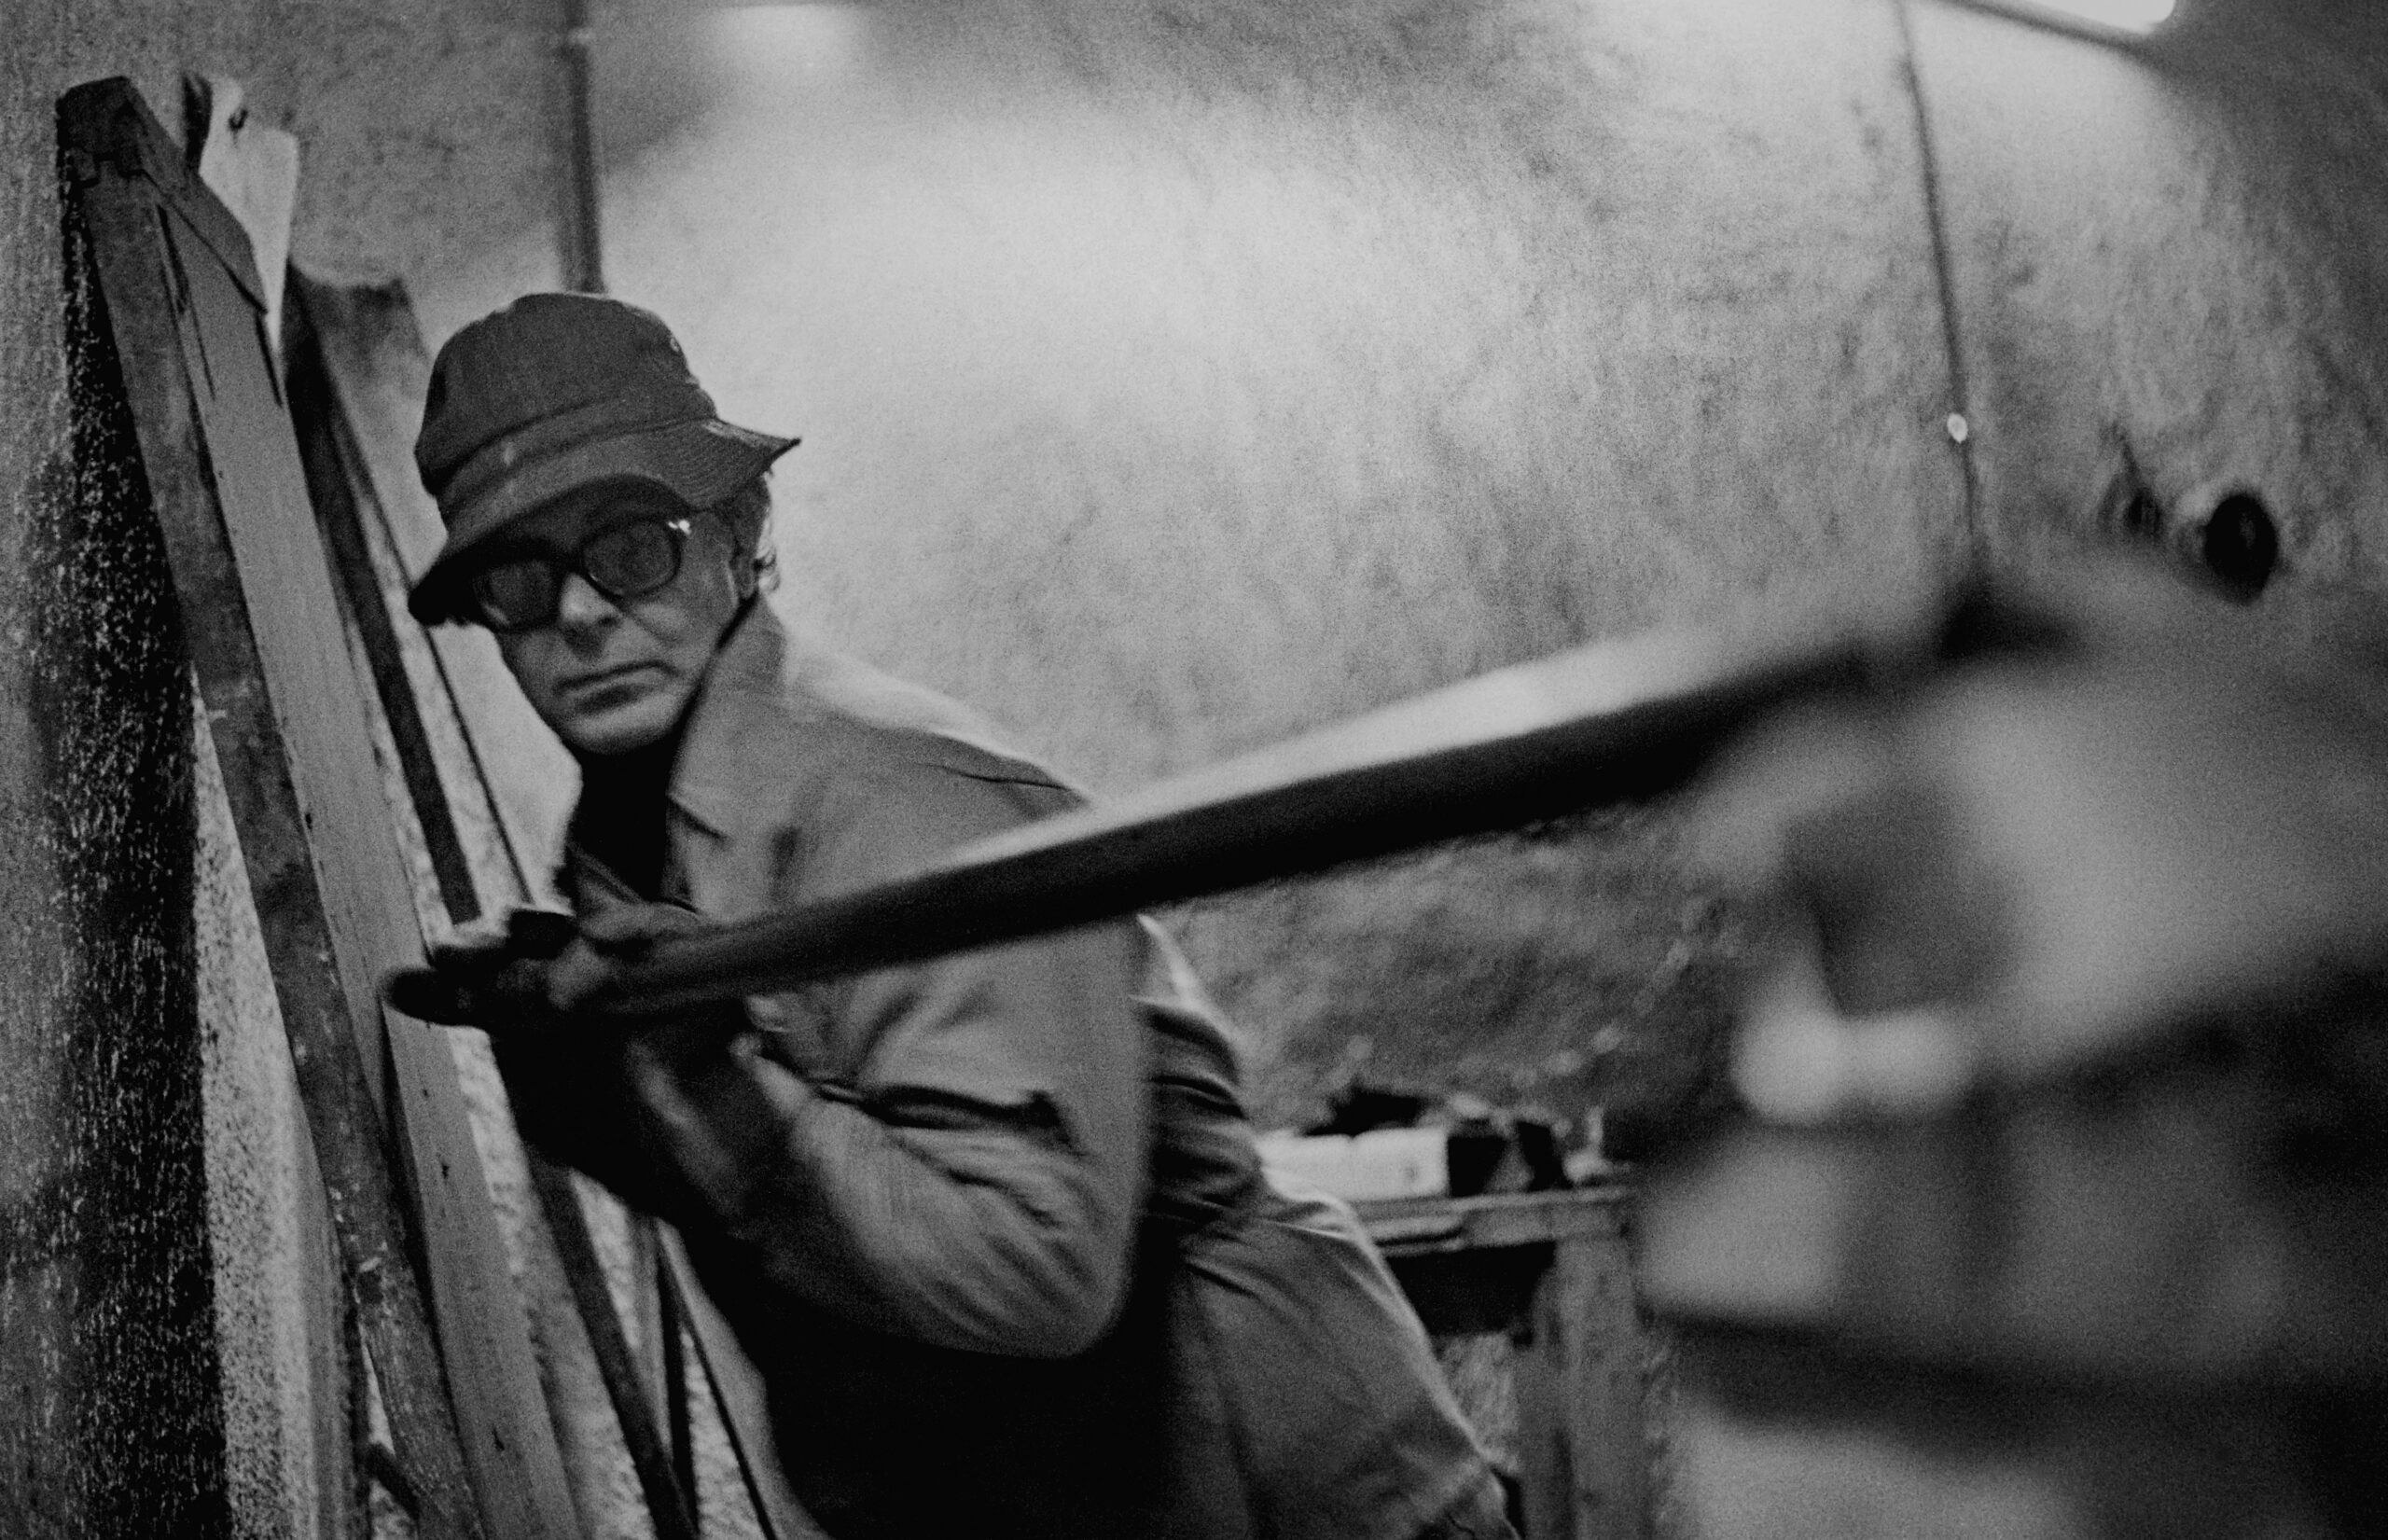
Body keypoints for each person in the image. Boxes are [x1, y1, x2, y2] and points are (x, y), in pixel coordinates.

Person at [387, 293, 1514, 1540]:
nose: (581, 614)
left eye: (630, 546)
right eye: (517, 577)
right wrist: (575, 1067)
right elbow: (747, 1200)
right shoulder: (627, 838)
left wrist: (694, 1070)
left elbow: (1038, 1276)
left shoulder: (901, 799)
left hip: (1283, 1493)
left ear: (738, 532)